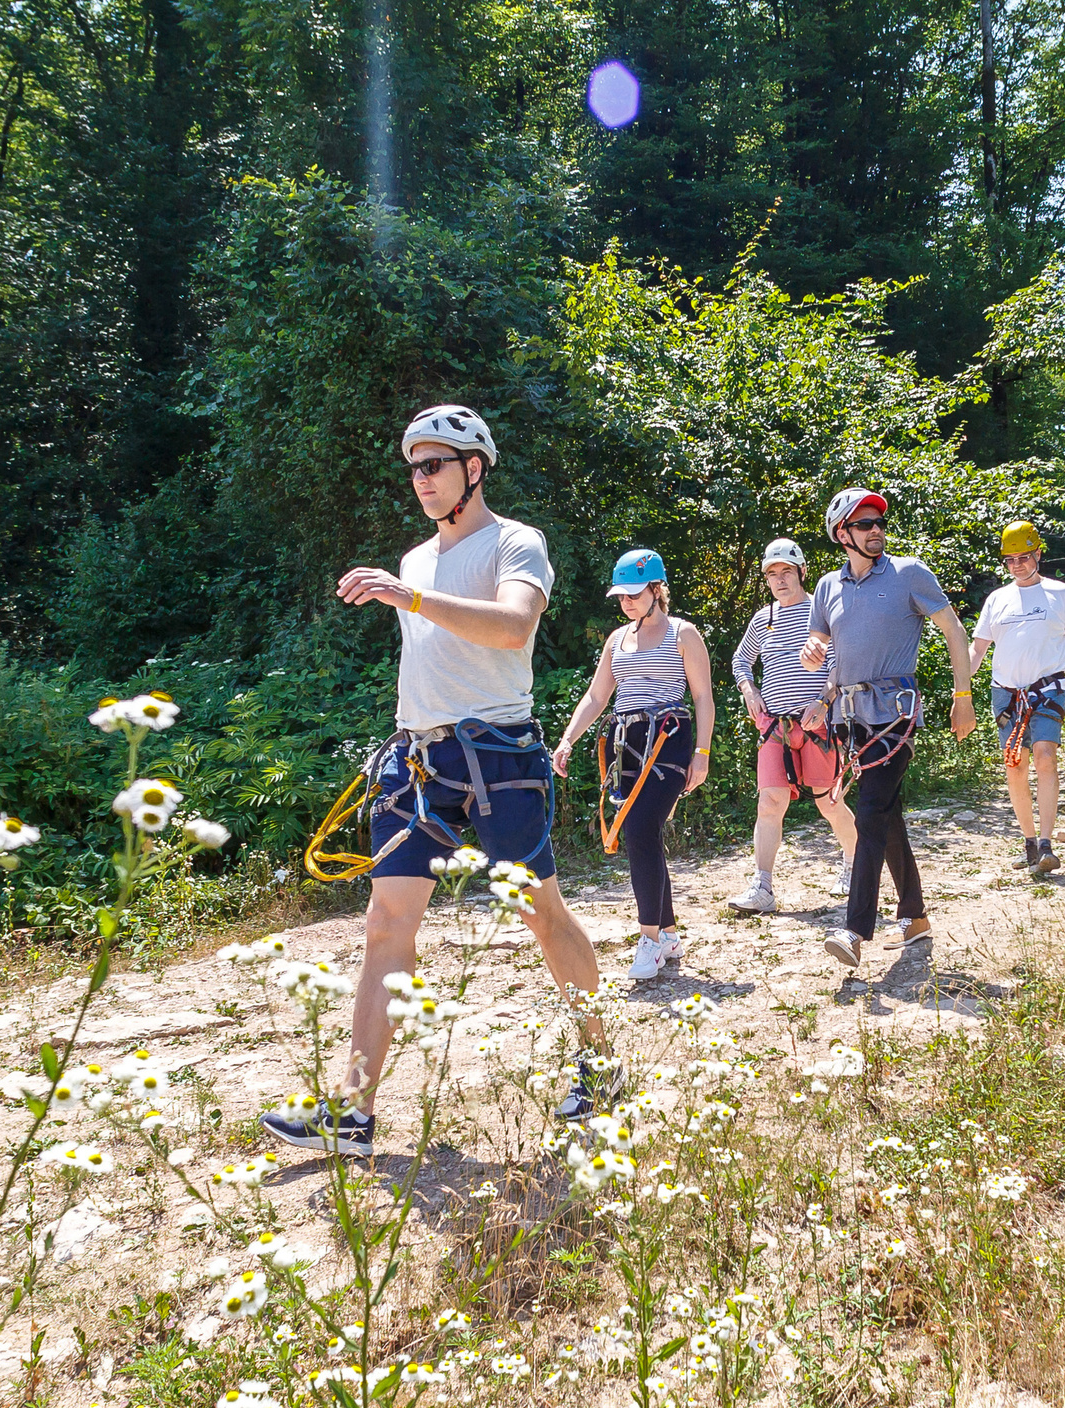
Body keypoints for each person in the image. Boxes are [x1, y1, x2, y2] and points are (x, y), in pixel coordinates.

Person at [273, 404, 609, 1157]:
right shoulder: (416, 558)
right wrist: (409, 590)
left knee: (539, 913)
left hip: (499, 752)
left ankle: (603, 1063)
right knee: (386, 925)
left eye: (436, 464)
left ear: (474, 468)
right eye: (414, 467)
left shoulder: (515, 542)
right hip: (419, 759)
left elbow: (513, 626)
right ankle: (353, 1113)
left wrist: (409, 596)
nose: (421, 479)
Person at [799, 488, 978, 968]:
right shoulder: (827, 587)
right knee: (886, 814)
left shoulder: (908, 574)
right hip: (847, 717)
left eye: (879, 521)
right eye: (864, 523)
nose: (876, 529)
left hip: (896, 714)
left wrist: (964, 697)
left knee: (870, 812)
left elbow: (955, 633)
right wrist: (815, 668)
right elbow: (817, 643)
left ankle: (855, 928)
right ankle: (915, 917)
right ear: (843, 535)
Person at [550, 550, 715, 981]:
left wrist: (702, 753)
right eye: (620, 596)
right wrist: (568, 738)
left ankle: (649, 939)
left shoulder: (683, 633)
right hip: (626, 742)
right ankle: (669, 933)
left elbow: (702, 697)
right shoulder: (616, 639)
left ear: (656, 589)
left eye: (633, 594)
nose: (625, 602)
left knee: (641, 829)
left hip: (669, 736)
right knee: (644, 833)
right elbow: (596, 696)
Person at [728, 537, 857, 911]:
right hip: (775, 728)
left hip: (819, 727)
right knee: (770, 802)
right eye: (772, 573)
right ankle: (763, 887)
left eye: (786, 571)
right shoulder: (762, 619)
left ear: (802, 572)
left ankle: (854, 865)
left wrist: (824, 700)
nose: (779, 579)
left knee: (830, 803)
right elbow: (740, 662)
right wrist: (749, 692)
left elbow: (839, 666)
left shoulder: (820, 614)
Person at [974, 522, 1065, 873]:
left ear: (1038, 554)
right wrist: (960, 691)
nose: (1017, 565)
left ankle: (1047, 843)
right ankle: (1028, 843)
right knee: (1016, 765)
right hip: (1006, 694)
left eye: (1024, 557)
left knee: (1044, 757)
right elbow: (978, 649)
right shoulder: (997, 599)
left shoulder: (1061, 594)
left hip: (1048, 690)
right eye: (1010, 560)